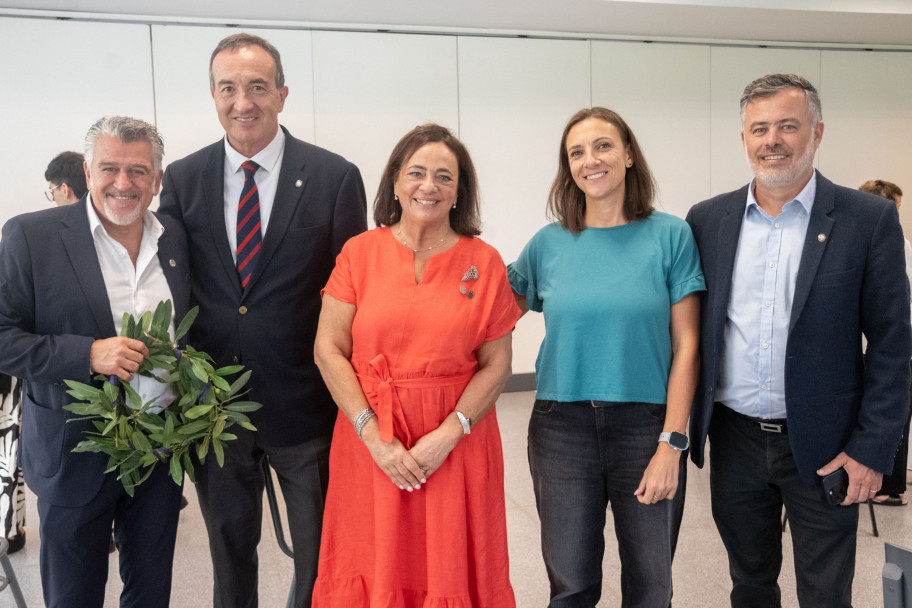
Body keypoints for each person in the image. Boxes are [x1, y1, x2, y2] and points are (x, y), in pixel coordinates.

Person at [686, 74, 912, 607]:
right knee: (749, 583)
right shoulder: (707, 220)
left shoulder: (869, 220)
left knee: (826, 593)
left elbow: (893, 345)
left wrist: (872, 450)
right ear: (743, 138)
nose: (773, 140)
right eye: (759, 128)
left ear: (817, 132)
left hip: (828, 445)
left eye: (788, 126)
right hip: (735, 440)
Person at [158, 32, 367, 608]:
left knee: (322, 552)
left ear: (282, 93)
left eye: (256, 86)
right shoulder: (182, 179)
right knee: (228, 550)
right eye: (228, 88)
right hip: (214, 412)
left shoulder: (333, 176)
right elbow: (169, 286)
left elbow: (355, 295)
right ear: (213, 95)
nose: (242, 102)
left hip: (306, 406)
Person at [312, 124, 520, 607]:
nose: (430, 186)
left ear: (458, 192)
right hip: (370, 439)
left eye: (444, 177)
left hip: (457, 444)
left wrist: (449, 433)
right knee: (370, 557)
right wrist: (371, 434)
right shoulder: (359, 253)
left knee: (449, 564)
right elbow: (328, 350)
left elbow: (497, 364)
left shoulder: (484, 262)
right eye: (418, 173)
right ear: (396, 183)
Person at [509, 107, 704, 607]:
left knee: (650, 585)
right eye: (576, 152)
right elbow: (487, 313)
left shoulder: (670, 235)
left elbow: (687, 347)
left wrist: (672, 444)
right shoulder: (547, 244)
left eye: (602, 146)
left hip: (646, 427)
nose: (589, 160)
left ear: (629, 155)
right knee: (571, 585)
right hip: (560, 427)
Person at [0, 116, 190, 607]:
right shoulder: (31, 237)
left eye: (138, 171)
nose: (123, 184)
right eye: (109, 168)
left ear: (158, 179)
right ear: (87, 173)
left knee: (151, 591)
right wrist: (85, 355)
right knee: (73, 596)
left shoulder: (176, 241)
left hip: (158, 453)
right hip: (73, 452)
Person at [858, 179, 911, 507]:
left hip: (893, 346)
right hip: (869, 347)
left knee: (891, 411)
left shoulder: (900, 247)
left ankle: (889, 486)